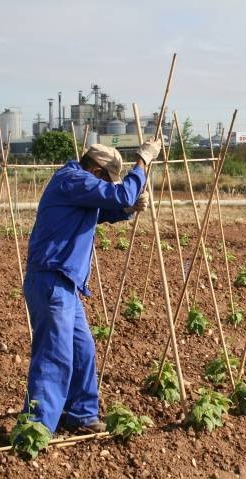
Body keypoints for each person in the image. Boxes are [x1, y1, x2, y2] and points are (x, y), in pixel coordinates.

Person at [20, 138, 161, 435]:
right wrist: (143, 161)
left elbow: (107, 209)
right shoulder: (72, 179)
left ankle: (80, 414)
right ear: (96, 170)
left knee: (82, 349)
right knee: (54, 355)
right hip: (51, 279)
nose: (107, 184)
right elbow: (119, 193)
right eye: (106, 179)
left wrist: (129, 208)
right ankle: (36, 427)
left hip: (65, 284)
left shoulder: (79, 186)